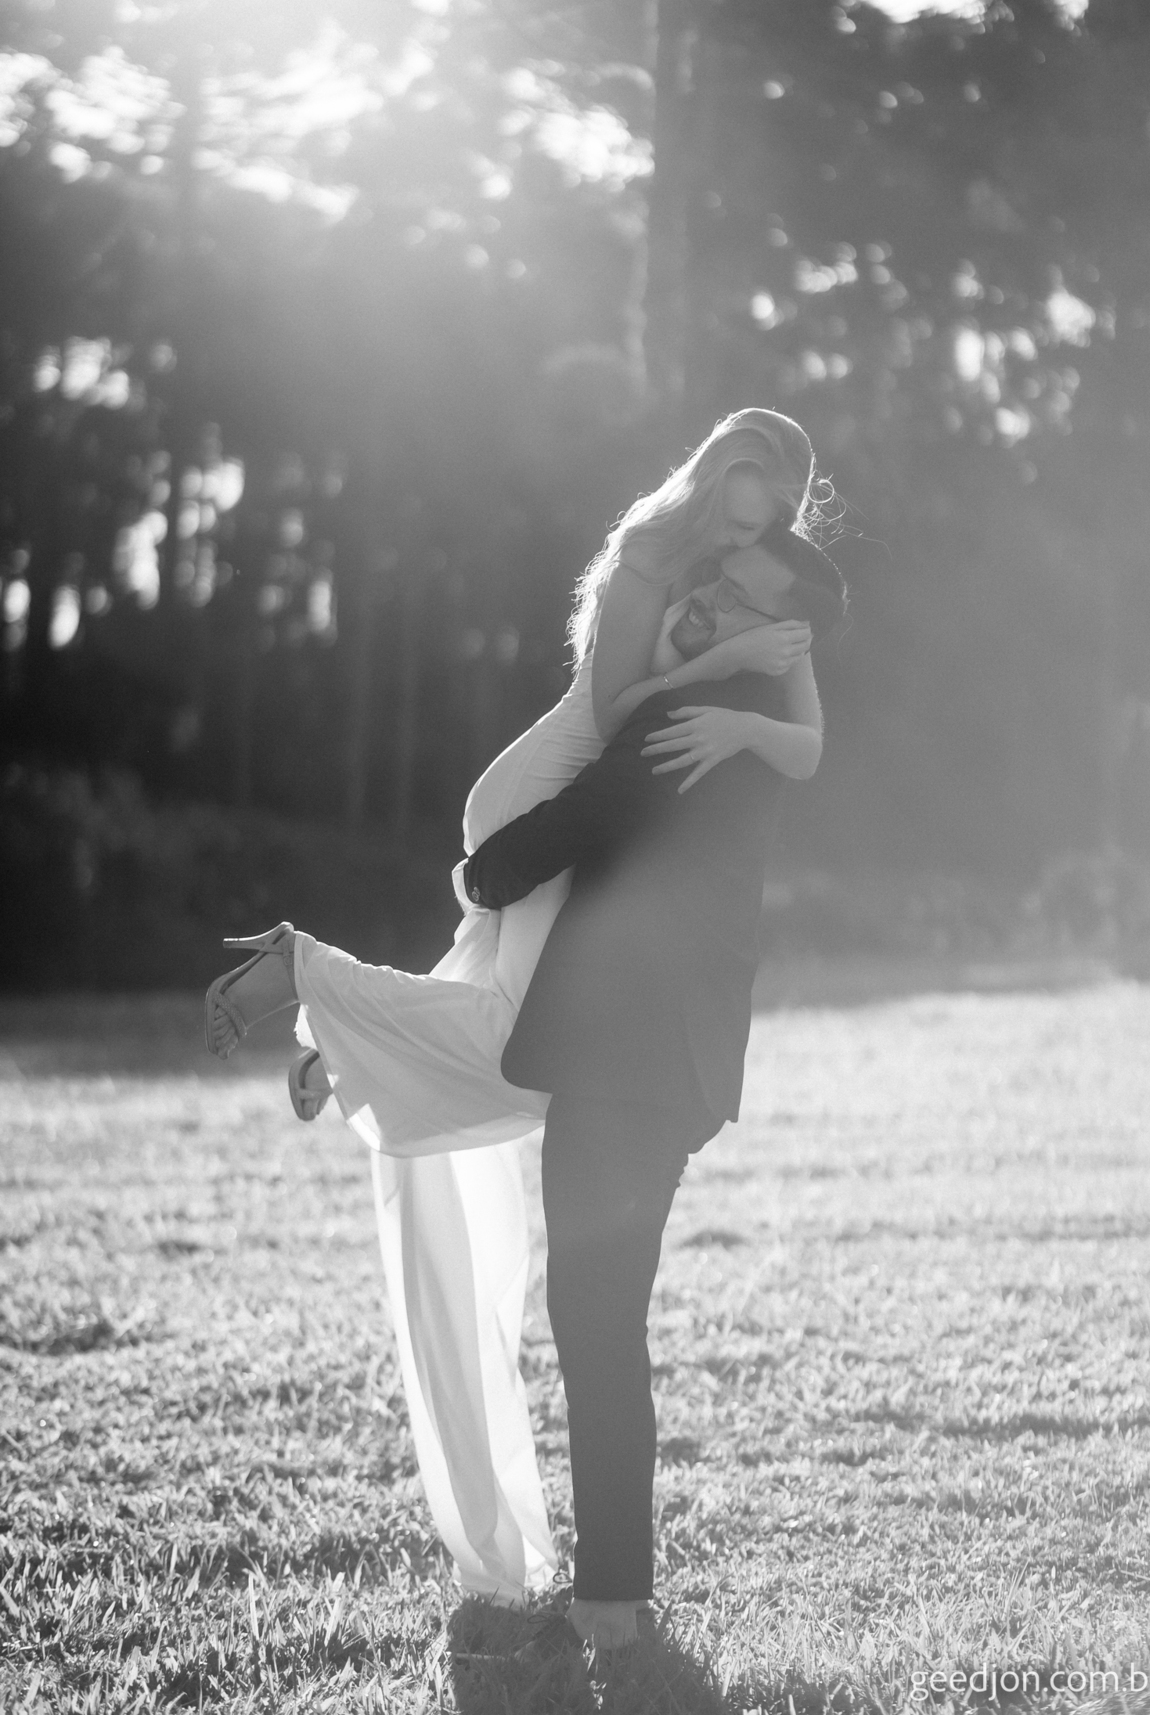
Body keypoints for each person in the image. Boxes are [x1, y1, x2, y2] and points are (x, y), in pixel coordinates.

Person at [203, 409, 844, 1611]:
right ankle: (314, 980)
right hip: (552, 778)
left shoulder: (742, 584)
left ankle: (337, 1045)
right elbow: (618, 714)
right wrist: (715, 676)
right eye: (742, 499)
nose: (750, 529)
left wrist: (753, 698)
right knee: (514, 1034)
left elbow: (804, 734)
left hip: (567, 784)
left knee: (509, 1006)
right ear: (719, 478)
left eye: (770, 514)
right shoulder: (659, 560)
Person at [459, 526, 842, 1650]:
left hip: (627, 1057)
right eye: (714, 578)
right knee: (601, 1316)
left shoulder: (701, 712)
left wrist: (482, 873)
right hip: (671, 1058)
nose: (712, 598)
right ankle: (614, 1595)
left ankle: (614, 1604)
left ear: (780, 631)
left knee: (595, 1319)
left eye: (739, 596)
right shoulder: (743, 712)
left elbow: (593, 813)